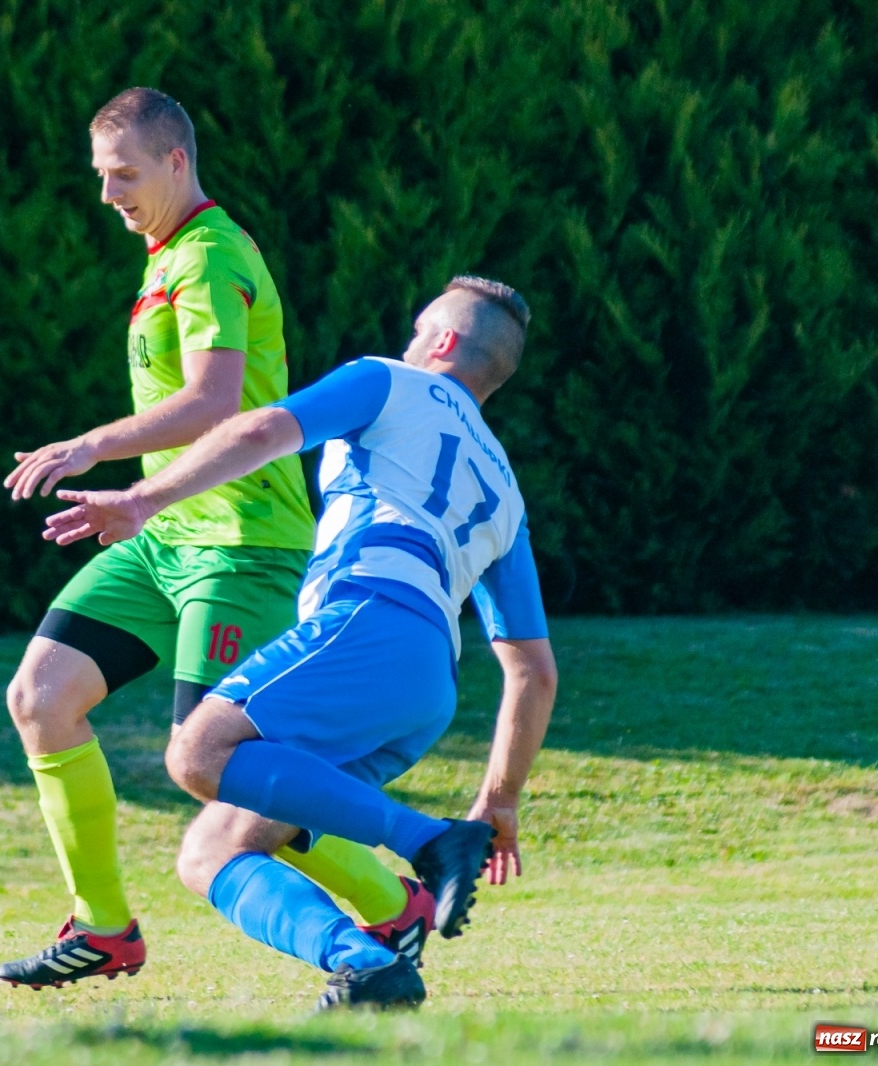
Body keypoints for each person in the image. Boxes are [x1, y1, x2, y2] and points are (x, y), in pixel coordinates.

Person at [0, 88, 434, 988]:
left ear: (176, 163)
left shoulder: (208, 257)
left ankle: (393, 903)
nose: (108, 193)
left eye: (124, 174)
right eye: (100, 176)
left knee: (221, 769)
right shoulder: (166, 258)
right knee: (40, 696)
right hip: (163, 538)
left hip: (240, 543)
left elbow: (214, 402)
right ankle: (104, 927)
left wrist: (88, 447)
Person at [42, 276, 558, 1009]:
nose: (409, 341)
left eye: (419, 330)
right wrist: (500, 799)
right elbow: (532, 670)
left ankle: (428, 841)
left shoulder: (387, 380)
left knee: (198, 752)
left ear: (441, 342)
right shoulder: (504, 487)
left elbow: (258, 431)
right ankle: (365, 965)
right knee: (212, 849)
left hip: (368, 620)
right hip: (426, 686)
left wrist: (141, 499)